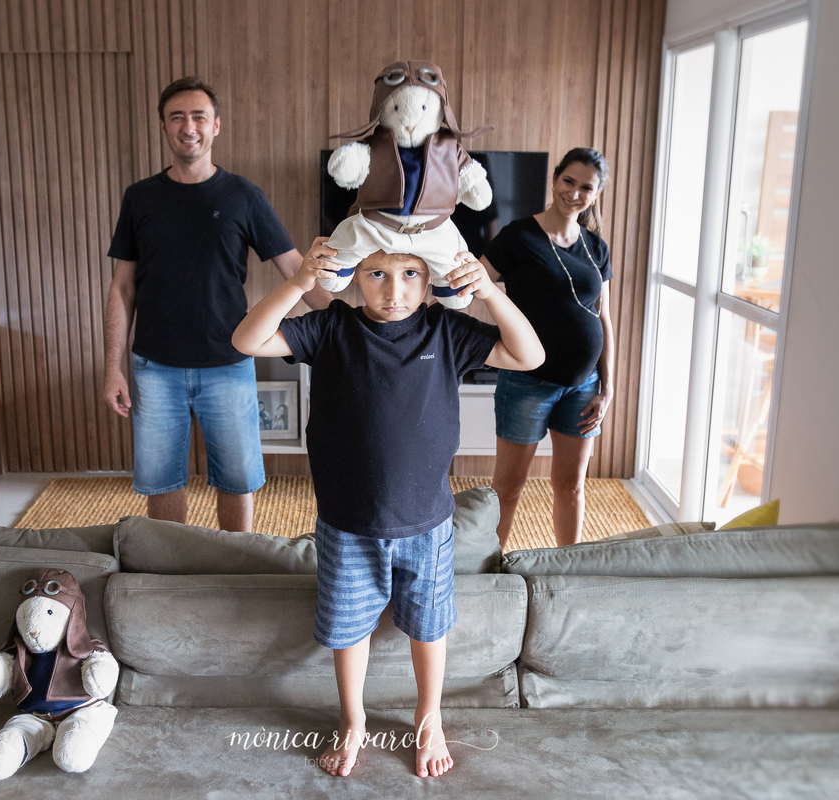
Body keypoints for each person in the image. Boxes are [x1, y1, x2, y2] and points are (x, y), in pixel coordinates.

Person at [232, 239, 543, 779]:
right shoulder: (331, 327)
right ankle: (352, 719)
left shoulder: (446, 330)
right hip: (347, 523)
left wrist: (490, 293)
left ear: (429, 279)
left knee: (428, 626)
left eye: (409, 274)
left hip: (428, 522)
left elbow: (529, 355)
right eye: (377, 274)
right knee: (348, 628)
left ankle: (429, 717)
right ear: (354, 275)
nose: (393, 290)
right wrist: (300, 282)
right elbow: (246, 339)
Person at [103, 76, 331, 531]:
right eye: (177, 118)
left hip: (228, 361)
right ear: (164, 126)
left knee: (237, 480)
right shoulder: (140, 198)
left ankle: (236, 560)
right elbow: (121, 288)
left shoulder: (243, 196)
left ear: (216, 125)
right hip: (155, 367)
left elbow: (294, 267)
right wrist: (112, 367)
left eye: (199, 117)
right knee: (161, 481)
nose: (188, 127)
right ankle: (170, 562)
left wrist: (345, 319)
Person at [481, 147, 614, 548]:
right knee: (509, 486)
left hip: (584, 386)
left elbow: (604, 318)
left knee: (571, 486)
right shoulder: (518, 236)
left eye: (586, 187)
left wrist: (607, 389)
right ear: (555, 180)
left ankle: (567, 567)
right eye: (568, 181)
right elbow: (476, 284)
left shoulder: (596, 246)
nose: (575, 193)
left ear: (597, 194)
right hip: (527, 383)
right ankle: (490, 566)